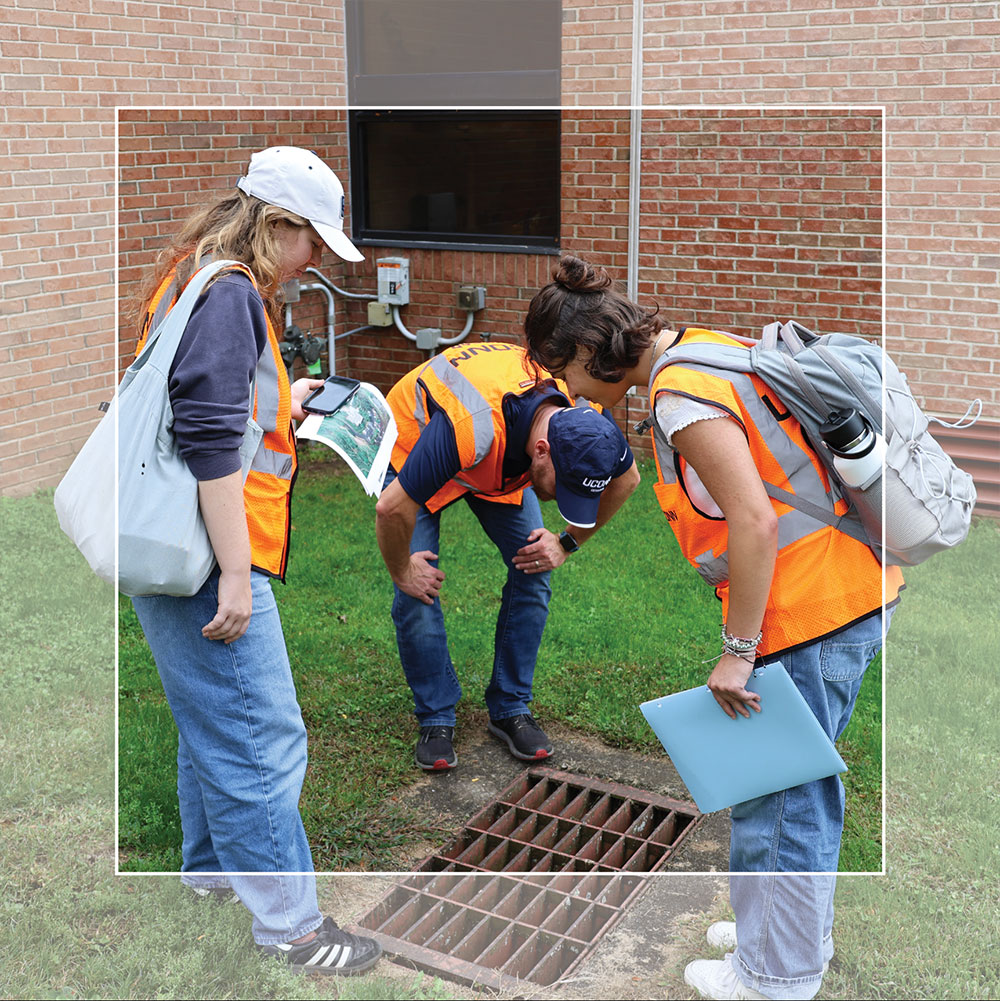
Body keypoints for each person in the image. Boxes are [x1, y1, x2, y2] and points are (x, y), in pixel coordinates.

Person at [523, 255, 903, 1001]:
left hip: (809, 611)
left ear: (585, 350)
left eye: (566, 375)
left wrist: (738, 651)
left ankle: (776, 974)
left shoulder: (676, 396)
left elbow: (754, 523)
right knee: (796, 783)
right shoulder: (704, 347)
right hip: (850, 587)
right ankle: (780, 929)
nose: (573, 395)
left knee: (783, 796)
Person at [128, 146, 380, 975]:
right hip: (209, 554)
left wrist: (285, 395)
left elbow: (209, 397)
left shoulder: (195, 273)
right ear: (276, 226)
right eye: (312, 242)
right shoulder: (233, 293)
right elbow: (207, 438)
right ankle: (293, 929)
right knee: (262, 736)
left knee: (211, 717)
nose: (315, 264)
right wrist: (236, 574)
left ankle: (210, 874)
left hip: (168, 545)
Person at [375, 341, 640, 770]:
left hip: (496, 463)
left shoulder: (587, 421)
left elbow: (627, 480)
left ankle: (510, 705)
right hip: (417, 445)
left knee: (534, 569)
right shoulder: (471, 426)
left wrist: (566, 542)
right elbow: (391, 508)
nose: (558, 499)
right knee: (417, 589)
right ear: (542, 451)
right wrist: (402, 570)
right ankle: (436, 716)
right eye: (561, 486)